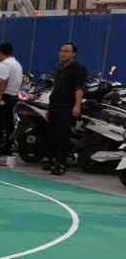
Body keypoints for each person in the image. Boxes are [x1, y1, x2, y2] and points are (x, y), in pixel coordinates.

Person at [46, 42, 88, 175]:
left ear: (74, 54)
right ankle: (52, 161)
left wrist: (77, 105)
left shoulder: (78, 69)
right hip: (54, 106)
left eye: (66, 51)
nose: (62, 53)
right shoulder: (60, 69)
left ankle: (61, 164)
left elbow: (79, 88)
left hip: (66, 108)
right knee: (53, 136)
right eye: (61, 51)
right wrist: (49, 109)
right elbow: (56, 90)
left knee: (63, 137)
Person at [0, 41, 24, 156]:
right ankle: (8, 147)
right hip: (13, 96)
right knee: (9, 124)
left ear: (0, 53)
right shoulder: (17, 64)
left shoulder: (5, 64)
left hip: (4, 96)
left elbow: (3, 82)